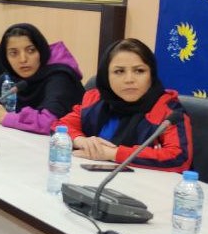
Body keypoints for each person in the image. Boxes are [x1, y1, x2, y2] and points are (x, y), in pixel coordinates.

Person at [59, 39, 193, 172]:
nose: (129, 80)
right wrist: (80, 140)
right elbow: (61, 126)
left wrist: (113, 153)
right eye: (119, 71)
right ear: (106, 76)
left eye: (139, 71)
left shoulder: (168, 111)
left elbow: (178, 157)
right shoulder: (95, 99)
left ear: (151, 74)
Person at [0, 23, 85, 134]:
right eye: (14, 53)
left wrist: (5, 117)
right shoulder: (11, 78)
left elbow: (50, 122)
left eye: (30, 50)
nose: (23, 59)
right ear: (5, 57)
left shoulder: (59, 78)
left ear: (41, 51)